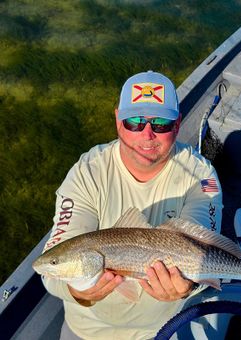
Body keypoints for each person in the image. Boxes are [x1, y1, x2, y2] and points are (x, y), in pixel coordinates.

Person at [42, 70, 223, 340]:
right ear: (118, 120)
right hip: (86, 330)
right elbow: (54, 265)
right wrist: (77, 292)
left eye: (160, 123)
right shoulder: (87, 172)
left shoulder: (202, 177)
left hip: (162, 330)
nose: (147, 134)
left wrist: (187, 287)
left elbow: (202, 249)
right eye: (134, 122)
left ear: (178, 123)